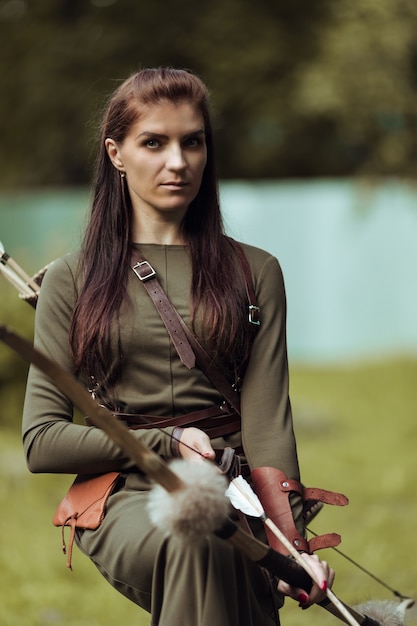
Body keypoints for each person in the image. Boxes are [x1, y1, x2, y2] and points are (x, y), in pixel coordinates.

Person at [22, 67, 334, 626]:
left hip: (235, 493)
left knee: (218, 542)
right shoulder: (72, 280)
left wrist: (290, 544)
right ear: (116, 154)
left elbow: (268, 424)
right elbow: (42, 442)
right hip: (122, 492)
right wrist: (167, 443)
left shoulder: (255, 271)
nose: (178, 161)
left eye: (193, 141)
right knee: (197, 537)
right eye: (154, 142)